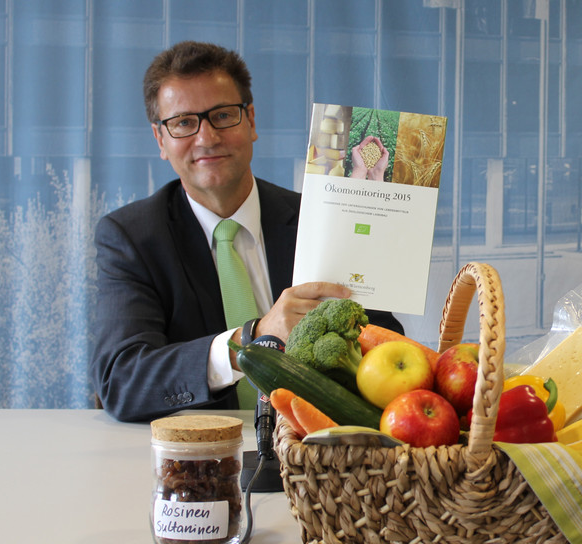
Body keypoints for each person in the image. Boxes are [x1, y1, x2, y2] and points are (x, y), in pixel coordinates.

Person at [89, 41, 403, 422]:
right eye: (184, 123)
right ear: (161, 140)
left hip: (315, 447)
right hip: (197, 450)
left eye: (222, 115)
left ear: (251, 121)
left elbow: (389, 348)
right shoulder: (131, 238)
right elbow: (121, 380)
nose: (206, 138)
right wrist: (251, 339)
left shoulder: (324, 219)